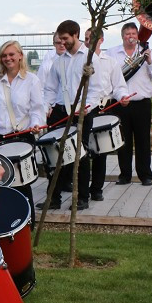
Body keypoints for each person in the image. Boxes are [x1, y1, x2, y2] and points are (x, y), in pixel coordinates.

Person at [0, 40, 46, 211]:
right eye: (4, 55)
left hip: (23, 137)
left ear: (20, 56)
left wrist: (35, 124)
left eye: (11, 54)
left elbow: (37, 108)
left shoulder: (32, 80)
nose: (8, 58)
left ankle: (27, 221)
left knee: (22, 183)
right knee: (0, 183)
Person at [105, 23, 152, 186]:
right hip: (120, 103)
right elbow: (106, 76)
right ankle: (125, 175)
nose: (130, 36)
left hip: (142, 103)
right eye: (127, 34)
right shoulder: (112, 53)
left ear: (138, 35)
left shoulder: (145, 52)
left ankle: (145, 175)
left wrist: (150, 60)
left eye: (133, 33)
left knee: (143, 140)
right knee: (123, 141)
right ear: (122, 36)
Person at [39, 20, 89, 210]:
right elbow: (50, 88)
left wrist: (86, 106)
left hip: (81, 113)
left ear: (76, 34)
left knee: (81, 157)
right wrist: (48, 106)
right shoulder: (59, 61)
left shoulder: (89, 58)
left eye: (66, 39)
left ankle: (81, 198)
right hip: (60, 112)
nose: (63, 43)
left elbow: (96, 88)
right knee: (53, 157)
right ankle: (53, 198)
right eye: (60, 40)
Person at [83, 29, 133, 202]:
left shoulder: (110, 62)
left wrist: (122, 97)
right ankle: (80, 190)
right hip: (85, 109)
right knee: (82, 151)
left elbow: (119, 85)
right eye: (86, 38)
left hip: (105, 108)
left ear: (101, 40)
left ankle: (96, 188)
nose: (89, 42)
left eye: (93, 38)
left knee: (100, 151)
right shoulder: (80, 60)